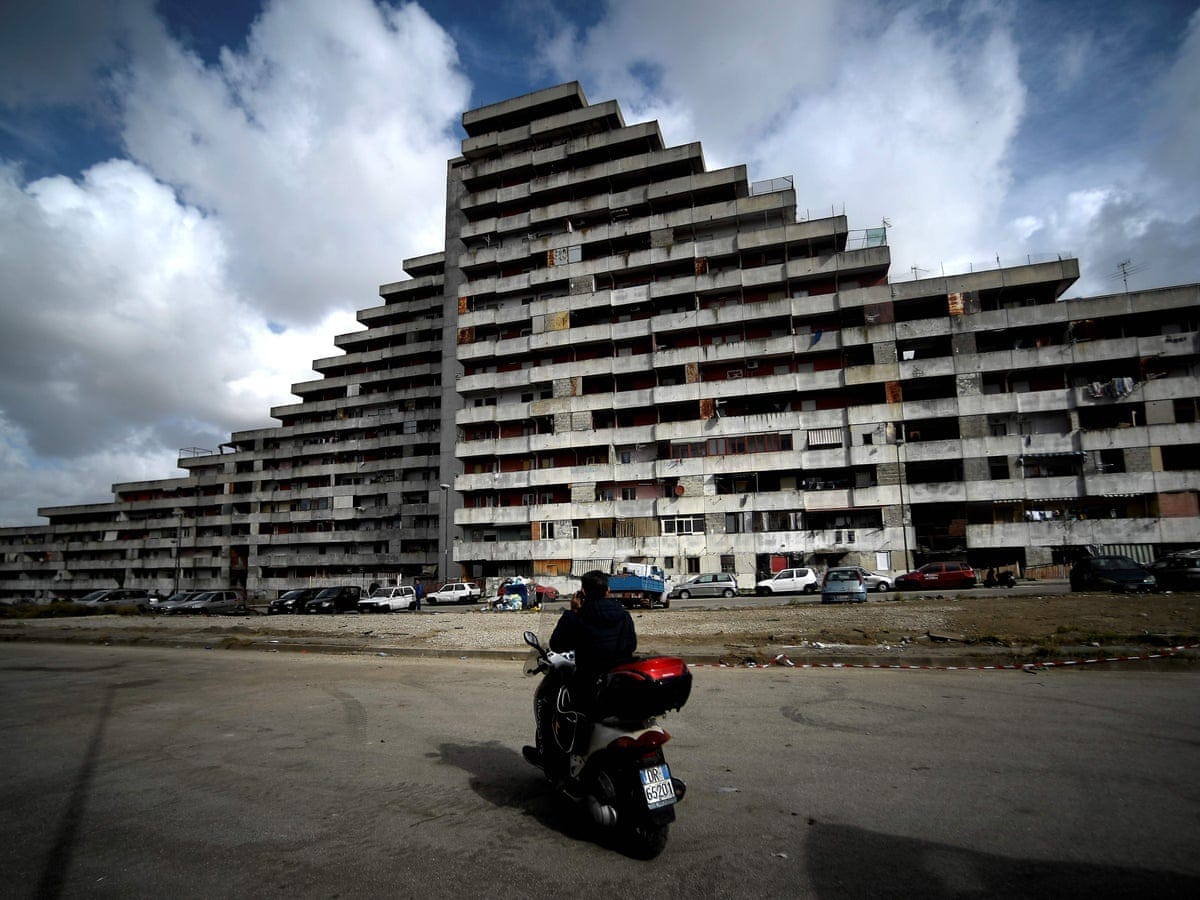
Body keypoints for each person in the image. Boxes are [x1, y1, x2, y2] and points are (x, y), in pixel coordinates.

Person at [524, 570, 637, 787]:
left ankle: (552, 761)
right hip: (618, 682)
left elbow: (557, 644)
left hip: (589, 685)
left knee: (551, 704)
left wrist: (573, 612)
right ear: (608, 590)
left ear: (583, 592)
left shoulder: (580, 616)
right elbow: (631, 645)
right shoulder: (623, 615)